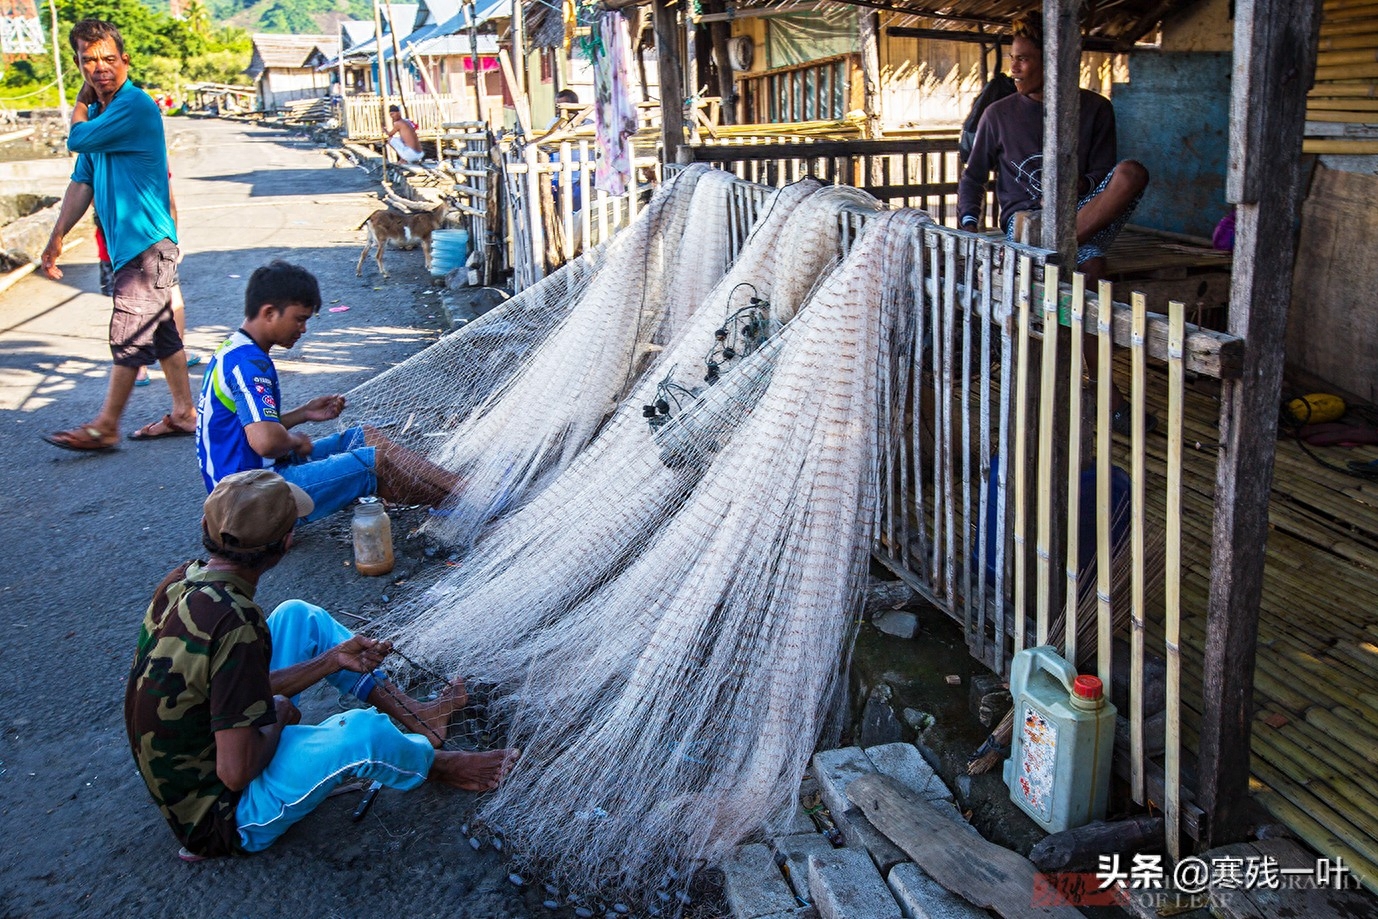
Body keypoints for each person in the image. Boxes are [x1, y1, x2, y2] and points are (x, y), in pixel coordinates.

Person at [125, 468, 519, 859]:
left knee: (300, 617)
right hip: (223, 816)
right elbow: (236, 772)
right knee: (362, 735)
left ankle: (418, 716)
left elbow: (228, 686)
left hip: (199, 755)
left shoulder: (184, 581)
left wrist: (332, 661)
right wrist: (276, 716)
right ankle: (437, 766)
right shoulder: (235, 625)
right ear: (285, 542)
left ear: (206, 526)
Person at [956, 15, 1151, 432]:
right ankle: (1109, 392)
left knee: (1132, 173)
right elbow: (973, 177)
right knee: (1091, 270)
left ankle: (1056, 244)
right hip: (1025, 224)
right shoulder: (998, 114)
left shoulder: (1096, 109)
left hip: (1082, 216)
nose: (1015, 68)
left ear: (1056, 62)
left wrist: (1075, 186)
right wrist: (969, 224)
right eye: (1014, 58)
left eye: (1025, 59)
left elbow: (1103, 175)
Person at [196, 260, 462, 521]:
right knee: (372, 462)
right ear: (268, 313)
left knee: (365, 436)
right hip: (250, 503)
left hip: (257, 480)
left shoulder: (234, 350)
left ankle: (460, 487)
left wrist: (304, 413)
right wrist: (295, 440)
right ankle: (460, 503)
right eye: (299, 319)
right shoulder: (249, 364)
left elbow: (251, 427)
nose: (303, 329)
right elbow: (267, 441)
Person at [40, 19, 196, 451]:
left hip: (146, 245)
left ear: (125, 60)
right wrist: (56, 239)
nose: (99, 67)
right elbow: (81, 182)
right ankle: (185, 412)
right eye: (89, 60)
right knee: (162, 333)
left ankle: (106, 425)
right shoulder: (104, 114)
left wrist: (78, 104)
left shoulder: (134, 105)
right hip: (130, 246)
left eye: (108, 58)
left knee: (128, 333)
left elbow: (75, 139)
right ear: (78, 63)